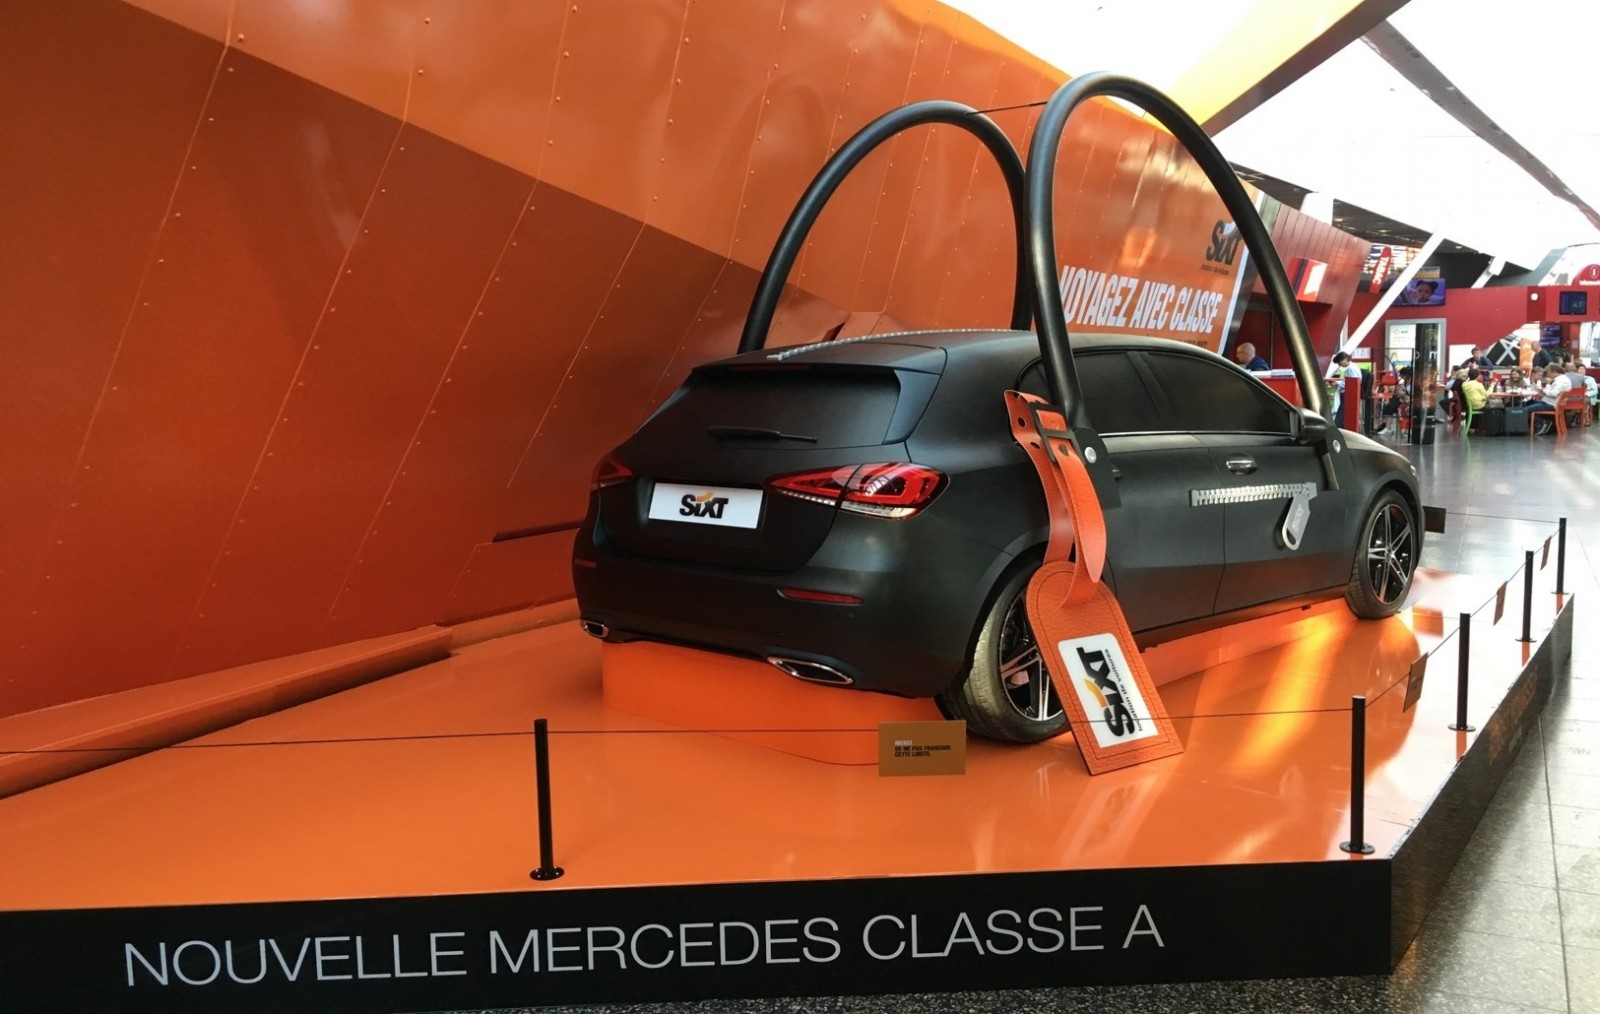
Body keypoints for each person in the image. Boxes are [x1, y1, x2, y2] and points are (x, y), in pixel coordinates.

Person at [1326, 351, 1361, 421]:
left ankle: (1337, 425)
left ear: (1344, 359)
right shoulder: (1355, 367)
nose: (1339, 365)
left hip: (1347, 394)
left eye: (1339, 362)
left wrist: (1337, 383)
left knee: (1341, 414)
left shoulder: (1350, 369)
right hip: (1352, 394)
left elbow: (1350, 384)